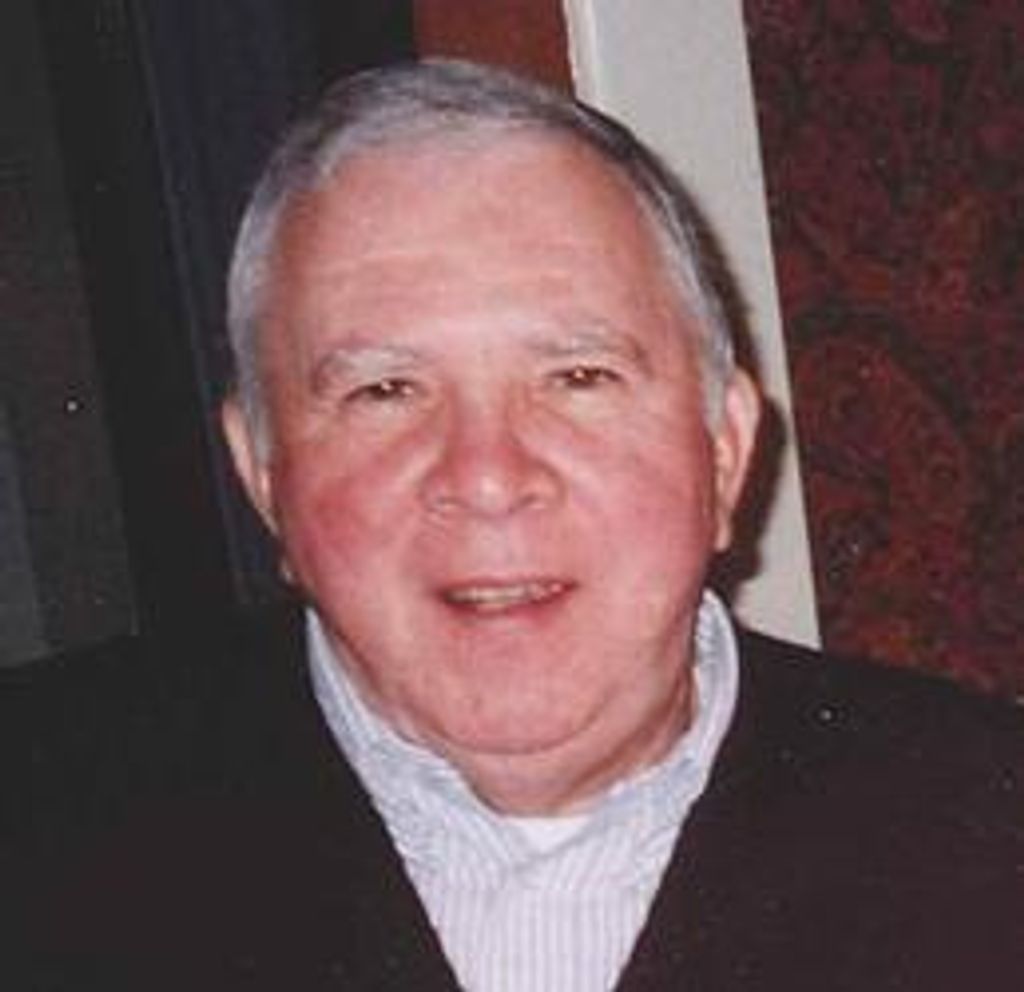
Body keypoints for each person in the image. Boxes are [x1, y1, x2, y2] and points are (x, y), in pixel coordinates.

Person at [6, 59, 1023, 990]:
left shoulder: (990, 829)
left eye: (578, 377)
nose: (488, 477)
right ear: (262, 470)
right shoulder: (39, 823)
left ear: (723, 449)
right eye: (384, 391)